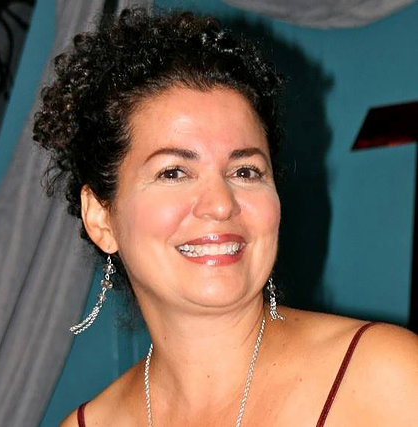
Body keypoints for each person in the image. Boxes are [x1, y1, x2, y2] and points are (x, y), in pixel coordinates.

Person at [33, 8, 418, 427]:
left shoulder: (388, 378)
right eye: (174, 172)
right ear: (100, 218)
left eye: (245, 171)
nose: (220, 204)